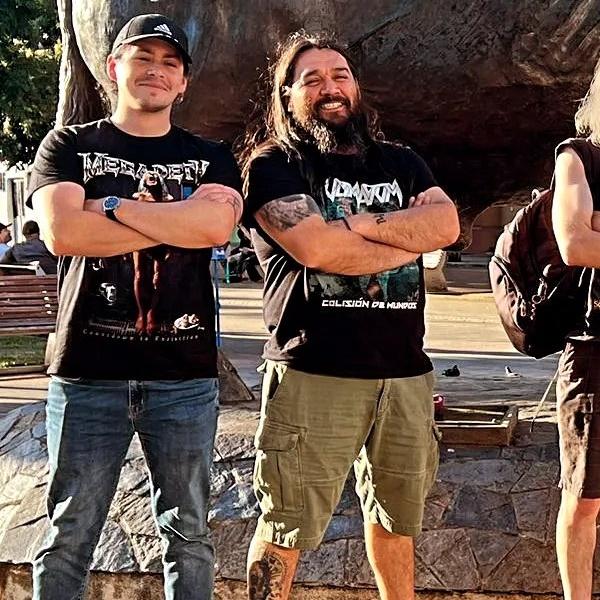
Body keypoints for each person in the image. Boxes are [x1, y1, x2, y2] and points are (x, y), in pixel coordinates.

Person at [28, 13, 243, 600]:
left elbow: (215, 227)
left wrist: (109, 207)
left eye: (170, 63)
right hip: (87, 373)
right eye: (142, 57)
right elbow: (64, 234)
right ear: (112, 68)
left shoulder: (210, 155)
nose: (156, 70)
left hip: (184, 378)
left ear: (183, 83)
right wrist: (176, 220)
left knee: (190, 534)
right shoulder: (70, 145)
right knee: (69, 534)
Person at [241, 32, 460, 600]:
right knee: (285, 524)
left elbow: (445, 226)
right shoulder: (273, 166)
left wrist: (356, 228)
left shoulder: (402, 161)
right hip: (314, 372)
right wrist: (403, 238)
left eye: (340, 75)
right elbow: (316, 248)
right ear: (287, 95)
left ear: (356, 87)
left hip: (405, 374)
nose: (330, 87)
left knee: (397, 521)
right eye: (311, 79)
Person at [552, 57, 600, 600]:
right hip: (595, 352)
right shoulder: (579, 156)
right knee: (584, 498)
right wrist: (591, 230)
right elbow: (576, 242)